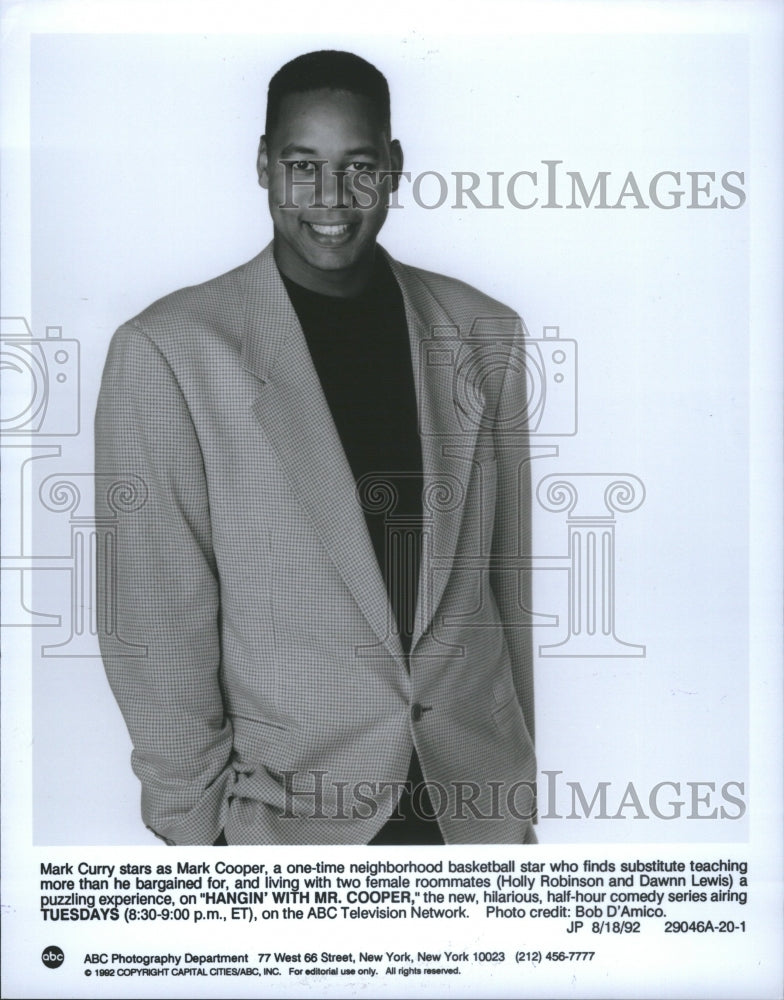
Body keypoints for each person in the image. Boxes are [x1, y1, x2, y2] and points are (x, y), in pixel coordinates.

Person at [95, 50, 536, 846]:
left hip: (474, 810)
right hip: (285, 825)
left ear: (395, 167)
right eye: (302, 165)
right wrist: (197, 840)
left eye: (357, 166)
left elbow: (507, 589)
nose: (331, 199)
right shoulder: (171, 350)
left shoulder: (484, 332)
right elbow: (155, 619)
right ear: (263, 166)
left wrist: (518, 793)